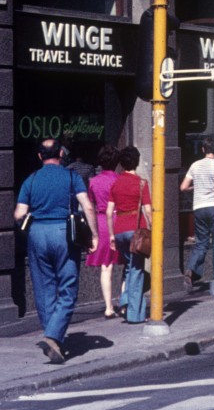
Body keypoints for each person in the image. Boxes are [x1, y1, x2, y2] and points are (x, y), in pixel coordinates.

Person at [13, 138, 100, 364]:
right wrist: (94, 235)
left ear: (39, 157)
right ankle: (53, 335)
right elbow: (88, 206)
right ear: (61, 154)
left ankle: (53, 337)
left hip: (37, 235)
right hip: (63, 234)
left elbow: (19, 214)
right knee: (68, 287)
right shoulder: (72, 177)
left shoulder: (30, 180)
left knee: (44, 288)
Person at [107, 146, 152, 324]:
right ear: (137, 161)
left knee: (129, 267)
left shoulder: (116, 183)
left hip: (119, 231)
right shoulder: (141, 183)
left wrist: (111, 235)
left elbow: (110, 212)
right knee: (136, 271)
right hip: (136, 231)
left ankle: (127, 302)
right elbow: (148, 212)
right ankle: (134, 314)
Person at [84, 144, 121, 318]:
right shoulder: (119, 180)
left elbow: (89, 204)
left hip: (100, 222)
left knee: (106, 266)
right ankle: (125, 302)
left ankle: (108, 307)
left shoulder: (93, 181)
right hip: (117, 219)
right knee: (127, 264)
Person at [180, 137, 214, 288]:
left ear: (203, 150)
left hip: (199, 207)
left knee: (200, 243)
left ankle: (190, 270)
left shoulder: (195, 165)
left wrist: (194, 188)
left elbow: (183, 187)